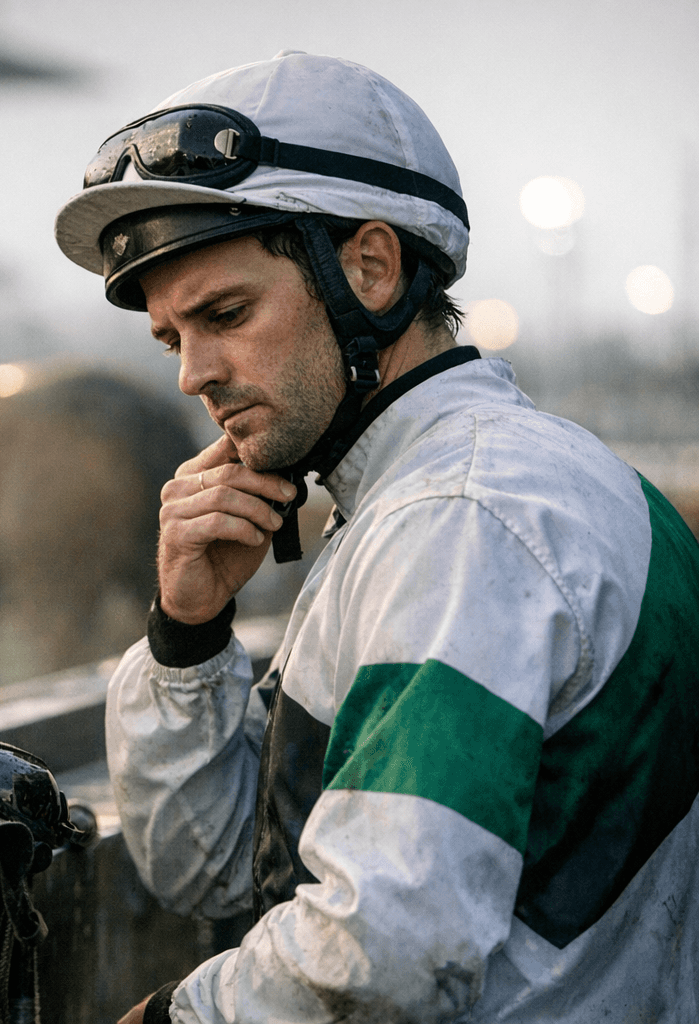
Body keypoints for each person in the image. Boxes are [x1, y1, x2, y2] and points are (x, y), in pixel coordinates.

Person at [53, 51, 698, 1022]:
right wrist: (188, 633)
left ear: (371, 268)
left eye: (225, 315)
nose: (194, 373)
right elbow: (223, 871)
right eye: (172, 338)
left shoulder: (459, 524)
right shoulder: (432, 495)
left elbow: (381, 952)